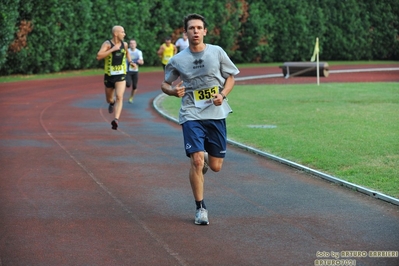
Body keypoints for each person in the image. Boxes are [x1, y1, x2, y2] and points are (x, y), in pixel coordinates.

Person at [161, 13, 239, 225]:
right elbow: (165, 84)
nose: (195, 31)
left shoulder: (217, 52)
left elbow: (231, 77)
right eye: (191, 28)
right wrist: (171, 91)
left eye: (198, 28)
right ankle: (200, 208)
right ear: (185, 33)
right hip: (191, 112)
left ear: (205, 31)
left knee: (215, 166)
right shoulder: (178, 60)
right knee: (195, 159)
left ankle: (205, 158)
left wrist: (222, 95)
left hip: (216, 113)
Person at [96, 25, 133, 130]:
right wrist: (112, 49)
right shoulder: (107, 44)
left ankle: (116, 120)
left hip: (121, 75)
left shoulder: (124, 44)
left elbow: (127, 53)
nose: (124, 34)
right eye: (122, 32)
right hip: (109, 76)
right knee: (109, 99)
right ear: (116, 33)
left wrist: (130, 62)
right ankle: (112, 103)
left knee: (120, 97)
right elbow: (98, 56)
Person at [126, 39, 144, 103]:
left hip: (135, 71)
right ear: (129, 45)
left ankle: (131, 97)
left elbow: (142, 62)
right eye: (131, 43)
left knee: (134, 86)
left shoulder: (138, 52)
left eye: (133, 43)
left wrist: (140, 62)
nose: (132, 45)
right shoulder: (127, 51)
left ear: (136, 44)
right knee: (128, 84)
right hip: (127, 70)